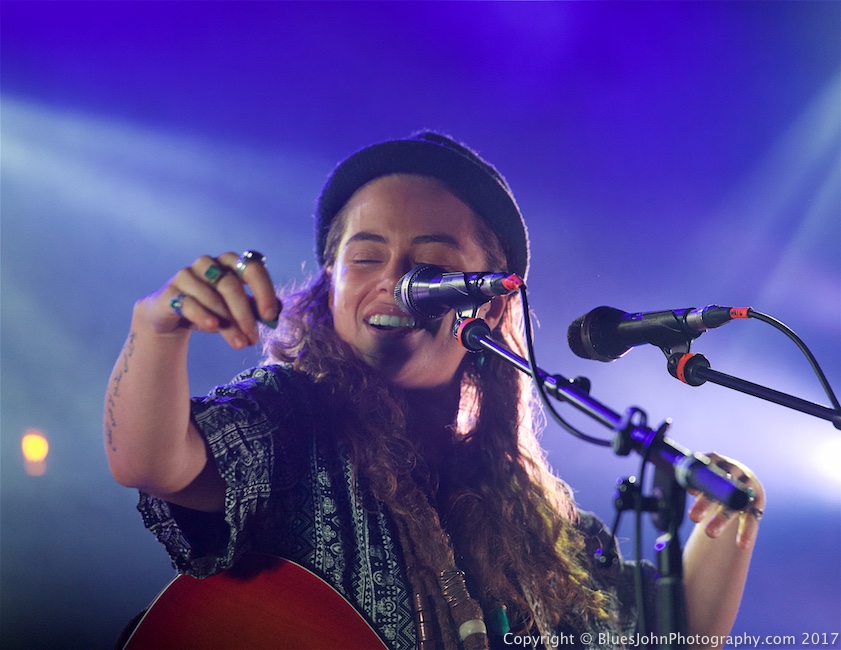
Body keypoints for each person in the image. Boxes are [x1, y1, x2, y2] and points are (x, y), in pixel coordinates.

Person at [105, 132, 764, 650]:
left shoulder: (534, 519)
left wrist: (732, 515)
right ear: (327, 283)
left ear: (489, 300)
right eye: (365, 257)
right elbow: (149, 463)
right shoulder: (285, 419)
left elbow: (668, 634)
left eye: (432, 265)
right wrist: (156, 331)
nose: (395, 281)